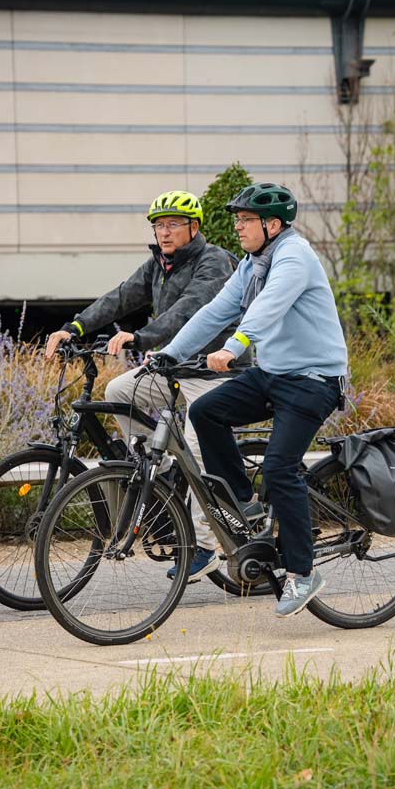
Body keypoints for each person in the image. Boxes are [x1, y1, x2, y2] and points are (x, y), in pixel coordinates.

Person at [158, 182, 348, 617]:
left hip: (313, 380)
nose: (238, 227)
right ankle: (243, 503)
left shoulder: (294, 257)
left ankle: (302, 573)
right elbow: (216, 311)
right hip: (274, 374)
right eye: (238, 220)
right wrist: (170, 353)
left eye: (246, 220)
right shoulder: (252, 263)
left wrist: (234, 346)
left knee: (280, 468)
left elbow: (269, 307)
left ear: (273, 224)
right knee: (206, 411)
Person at [45, 189, 251, 581]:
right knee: (119, 391)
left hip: (213, 372)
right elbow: (121, 297)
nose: (164, 232)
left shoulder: (214, 262)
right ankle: (164, 472)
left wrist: (141, 338)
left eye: (173, 224)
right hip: (175, 367)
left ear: (194, 227)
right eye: (159, 226)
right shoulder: (158, 265)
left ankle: (205, 546)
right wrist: (75, 327)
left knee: (200, 451)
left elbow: (188, 312)